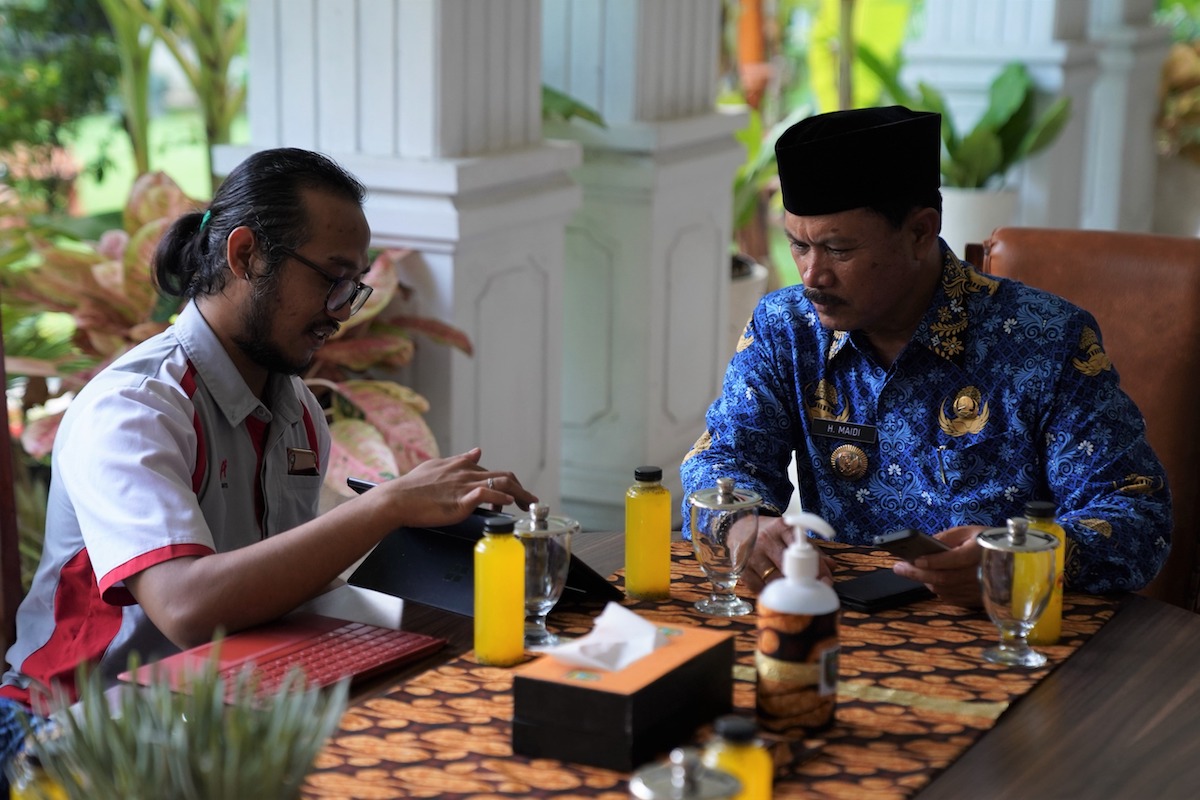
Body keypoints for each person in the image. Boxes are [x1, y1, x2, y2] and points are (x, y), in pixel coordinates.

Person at [0, 148, 537, 759]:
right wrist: (385, 507)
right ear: (245, 255)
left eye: (353, 288)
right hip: (74, 730)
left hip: (219, 709)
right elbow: (186, 607)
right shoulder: (134, 409)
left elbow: (278, 593)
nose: (340, 312)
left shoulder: (295, 409)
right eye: (331, 279)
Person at [680, 106, 1171, 606]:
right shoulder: (787, 328)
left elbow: (1136, 516)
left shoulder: (1046, 341)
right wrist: (741, 523)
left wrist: (1018, 559)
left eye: (838, 250)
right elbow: (722, 458)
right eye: (798, 246)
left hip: (1003, 623)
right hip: (836, 612)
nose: (812, 276)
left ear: (919, 232)